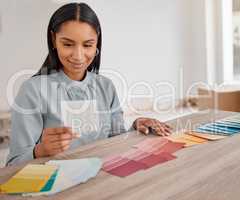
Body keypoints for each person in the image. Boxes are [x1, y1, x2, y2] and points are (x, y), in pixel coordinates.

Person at [6, 3, 172, 166]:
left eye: (87, 45)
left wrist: (136, 127)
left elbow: (117, 141)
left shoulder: (105, 87)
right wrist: (40, 151)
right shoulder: (33, 90)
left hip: (100, 179)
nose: (78, 56)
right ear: (53, 39)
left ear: (97, 43)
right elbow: (13, 164)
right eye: (68, 44)